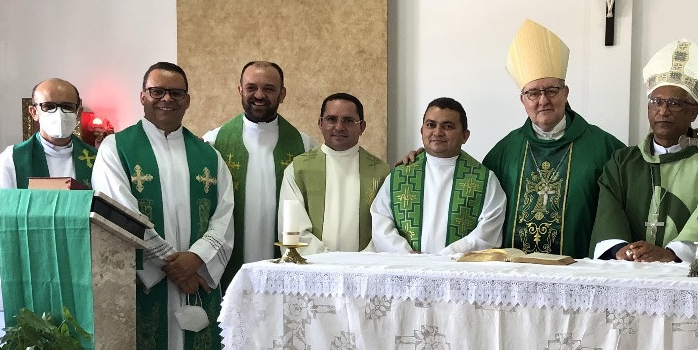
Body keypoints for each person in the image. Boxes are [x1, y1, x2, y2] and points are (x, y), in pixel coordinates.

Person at [93, 62, 234, 350]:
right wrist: (169, 261)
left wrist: (197, 260)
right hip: (145, 287)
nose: (167, 99)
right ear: (143, 95)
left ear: (188, 99)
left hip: (195, 283)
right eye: (157, 91)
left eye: (176, 92)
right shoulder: (117, 149)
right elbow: (116, 208)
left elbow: (223, 216)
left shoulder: (208, 156)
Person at [0, 78, 96, 334]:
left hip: (81, 272)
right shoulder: (11, 161)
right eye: (49, 106)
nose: (59, 113)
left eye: (67, 107)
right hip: (29, 273)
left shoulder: (96, 160)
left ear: (78, 111)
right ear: (34, 112)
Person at [482, 19, 624, 258]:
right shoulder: (505, 151)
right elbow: (475, 192)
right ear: (522, 100)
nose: (543, 100)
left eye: (551, 90)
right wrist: (429, 159)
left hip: (578, 271)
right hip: (515, 272)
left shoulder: (605, 147)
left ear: (565, 93)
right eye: (533, 93)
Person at [590, 38, 698, 263]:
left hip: (684, 273)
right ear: (648, 108)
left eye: (674, 104)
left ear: (693, 113)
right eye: (656, 101)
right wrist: (620, 248)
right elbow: (609, 213)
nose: (663, 111)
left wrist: (671, 253)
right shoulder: (623, 161)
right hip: (628, 271)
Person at [203, 61, 312, 285]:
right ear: (240, 90)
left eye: (269, 88)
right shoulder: (214, 142)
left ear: (282, 94)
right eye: (251, 87)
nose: (259, 95)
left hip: (285, 265)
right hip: (230, 263)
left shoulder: (304, 145)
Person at [370, 97, 506, 254]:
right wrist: (406, 254)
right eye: (430, 125)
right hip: (406, 264)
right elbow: (381, 221)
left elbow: (489, 231)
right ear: (422, 131)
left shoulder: (484, 179)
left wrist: (445, 257)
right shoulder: (400, 174)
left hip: (457, 266)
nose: (437, 132)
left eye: (448, 126)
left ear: (465, 135)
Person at [277, 93, 388, 253]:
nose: (339, 127)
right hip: (315, 265)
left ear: (362, 127)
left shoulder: (381, 172)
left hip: (365, 266)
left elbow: (384, 231)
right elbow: (293, 230)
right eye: (331, 119)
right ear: (320, 123)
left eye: (348, 120)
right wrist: (328, 262)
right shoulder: (298, 169)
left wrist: (359, 262)